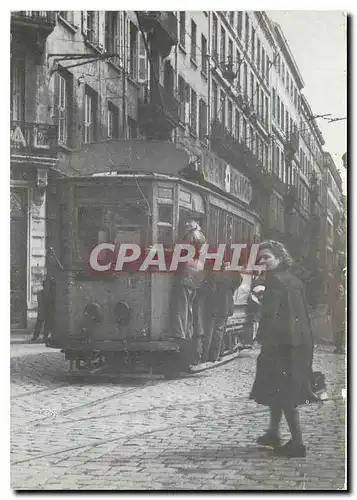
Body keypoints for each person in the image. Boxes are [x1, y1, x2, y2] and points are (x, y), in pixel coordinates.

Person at [250, 240, 314, 458]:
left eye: (267, 257)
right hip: (298, 343)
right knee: (279, 389)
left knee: (283, 391)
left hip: (281, 345)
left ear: (279, 256)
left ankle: (297, 442)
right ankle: (273, 433)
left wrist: (260, 296)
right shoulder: (293, 280)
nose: (263, 261)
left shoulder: (275, 281)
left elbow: (272, 316)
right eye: (261, 258)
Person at [169, 220, 207, 371]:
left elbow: (181, 254)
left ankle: (180, 337)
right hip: (195, 277)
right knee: (188, 311)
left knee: (181, 310)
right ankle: (185, 336)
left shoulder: (190, 237)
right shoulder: (201, 237)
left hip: (185, 277)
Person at [31, 275, 56, 343]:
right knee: (41, 323)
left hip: (47, 310)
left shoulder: (50, 293)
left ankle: (43, 336)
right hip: (43, 309)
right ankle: (36, 336)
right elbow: (40, 301)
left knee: (46, 324)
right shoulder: (42, 292)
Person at [331, 284, 346, 354]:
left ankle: (341, 347)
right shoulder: (335, 298)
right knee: (336, 333)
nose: (339, 290)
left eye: (341, 288)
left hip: (342, 318)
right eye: (338, 288)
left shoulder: (345, 299)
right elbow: (332, 307)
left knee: (341, 333)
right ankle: (337, 347)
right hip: (335, 318)